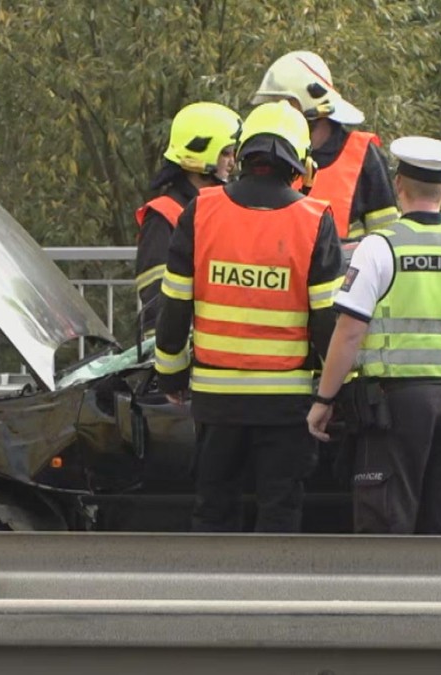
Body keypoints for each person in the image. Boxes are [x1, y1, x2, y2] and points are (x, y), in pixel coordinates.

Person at [306, 136, 441, 535]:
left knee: (387, 522)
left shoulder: (378, 248)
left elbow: (349, 332)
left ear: (398, 185)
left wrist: (325, 399)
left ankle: (388, 596)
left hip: (395, 407)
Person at [154, 101, 343, 533]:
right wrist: (334, 394)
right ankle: (273, 598)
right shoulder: (315, 220)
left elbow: (174, 307)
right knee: (280, 512)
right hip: (286, 404)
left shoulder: (201, 210)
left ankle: (216, 598)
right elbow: (327, 323)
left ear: (242, 153)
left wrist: (171, 377)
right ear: (300, 160)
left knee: (214, 509)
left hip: (215, 401)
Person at [251, 51, 399, 240]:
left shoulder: (363, 156)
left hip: (346, 268)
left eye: (284, 103)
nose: (276, 112)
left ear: (310, 100)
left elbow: (387, 239)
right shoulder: (267, 155)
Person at [136, 102, 242, 336]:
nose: (232, 162)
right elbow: (156, 300)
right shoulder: (163, 215)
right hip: (182, 346)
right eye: (225, 153)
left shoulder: (215, 208)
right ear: (199, 154)